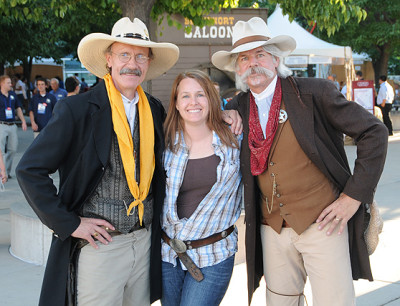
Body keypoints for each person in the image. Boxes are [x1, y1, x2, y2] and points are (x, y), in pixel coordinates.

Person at [211, 17, 388, 306]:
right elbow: (199, 114)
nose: (252, 63)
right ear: (237, 68)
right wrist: (222, 114)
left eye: (260, 54)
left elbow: (374, 132)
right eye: (244, 58)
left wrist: (352, 197)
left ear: (276, 59)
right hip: (272, 229)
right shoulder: (237, 106)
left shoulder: (313, 93)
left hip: (324, 224)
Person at [16, 17, 180, 306]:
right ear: (109, 60)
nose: (133, 63)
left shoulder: (154, 109)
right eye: (124, 54)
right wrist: (69, 223)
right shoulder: (76, 109)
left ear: (148, 62)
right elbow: (30, 170)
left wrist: (230, 115)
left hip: (144, 243)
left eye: (141, 56)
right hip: (100, 247)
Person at [161, 70, 242, 306]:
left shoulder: (235, 139)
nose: (193, 102)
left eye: (200, 95)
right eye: (185, 96)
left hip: (214, 253)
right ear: (176, 103)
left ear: (212, 99)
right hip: (168, 254)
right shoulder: (164, 141)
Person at [0, 75, 27, 179]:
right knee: (1, 150)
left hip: (12, 125)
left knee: (13, 149)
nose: (10, 84)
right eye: (8, 83)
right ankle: (3, 173)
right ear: (2, 84)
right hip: (1, 125)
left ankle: (6, 170)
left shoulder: (12, 95)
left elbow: (18, 108)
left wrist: (23, 121)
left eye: (10, 82)